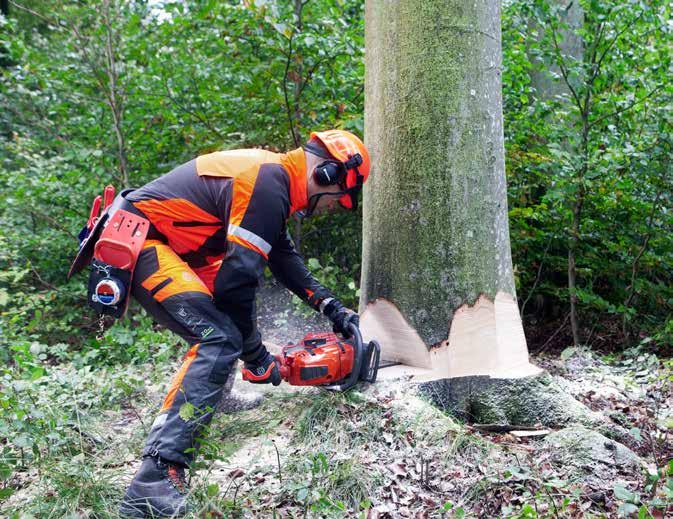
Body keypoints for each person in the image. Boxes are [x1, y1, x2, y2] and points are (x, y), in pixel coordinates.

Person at [117, 130, 370, 517]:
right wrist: (255, 355)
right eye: (340, 199)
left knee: (227, 322)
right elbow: (237, 283)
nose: (335, 208)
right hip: (145, 237)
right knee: (218, 338)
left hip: (179, 244)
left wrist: (333, 308)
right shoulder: (269, 181)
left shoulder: (274, 183)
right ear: (326, 173)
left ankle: (218, 393)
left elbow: (285, 262)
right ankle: (154, 479)